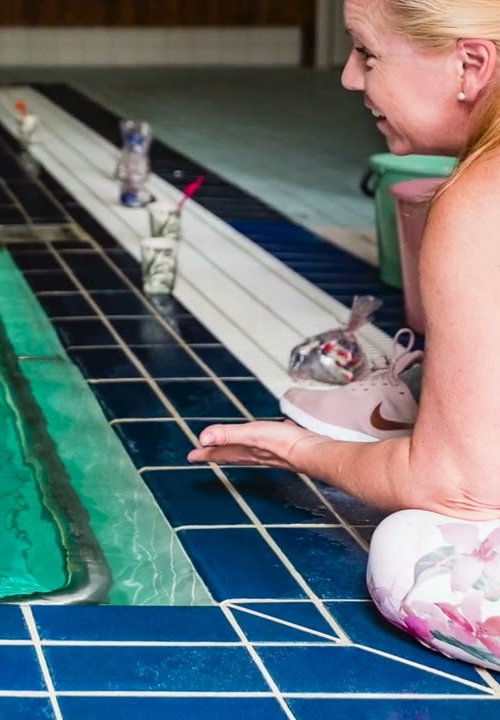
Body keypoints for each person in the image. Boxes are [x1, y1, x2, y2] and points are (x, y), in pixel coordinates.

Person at [188, 0, 500, 670]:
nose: (350, 79)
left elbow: (456, 488)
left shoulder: (480, 198)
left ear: (470, 64)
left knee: (413, 557)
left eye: (367, 53)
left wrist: (301, 450)